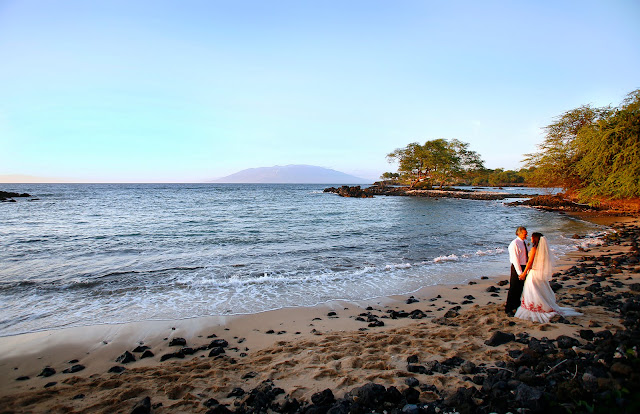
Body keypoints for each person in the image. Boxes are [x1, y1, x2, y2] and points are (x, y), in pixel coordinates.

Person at [515, 233, 581, 323]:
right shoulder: (544, 250)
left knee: (533, 290)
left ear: (535, 239)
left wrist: (523, 273)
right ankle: (544, 305)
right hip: (540, 273)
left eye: (532, 237)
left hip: (534, 272)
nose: (530, 238)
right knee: (540, 289)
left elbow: (530, 263)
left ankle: (535, 307)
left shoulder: (534, 249)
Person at [505, 226, 528, 316]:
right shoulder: (514, 244)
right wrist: (520, 273)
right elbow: (515, 260)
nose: (526, 235)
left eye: (526, 233)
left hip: (524, 266)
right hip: (517, 267)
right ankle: (508, 308)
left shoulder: (525, 242)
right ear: (518, 233)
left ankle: (516, 304)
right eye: (524, 233)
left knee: (520, 287)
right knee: (513, 287)